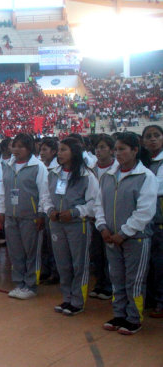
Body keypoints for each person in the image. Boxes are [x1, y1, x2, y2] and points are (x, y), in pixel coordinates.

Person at [94, 132, 157, 335]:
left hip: (135, 239)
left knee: (134, 280)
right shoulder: (108, 176)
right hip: (110, 238)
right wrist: (102, 227)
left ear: (135, 150)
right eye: (116, 149)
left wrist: (124, 232)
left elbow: (145, 211)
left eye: (122, 149)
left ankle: (133, 318)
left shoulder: (145, 177)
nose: (118, 153)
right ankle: (119, 314)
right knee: (116, 278)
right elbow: (98, 204)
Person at [44, 138, 99, 316]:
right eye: (59, 150)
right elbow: (45, 197)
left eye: (63, 150)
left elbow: (94, 203)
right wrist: (50, 210)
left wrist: (75, 212)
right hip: (57, 224)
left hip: (77, 225)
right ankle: (67, 297)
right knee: (63, 263)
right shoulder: (53, 173)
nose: (59, 153)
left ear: (74, 152)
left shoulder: (87, 176)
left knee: (79, 263)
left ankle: (78, 300)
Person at [0, 133, 49, 300]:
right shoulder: (7, 165)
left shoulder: (38, 167)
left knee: (31, 252)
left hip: (30, 216)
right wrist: (2, 211)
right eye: (15, 145)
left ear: (29, 148)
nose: (17, 149)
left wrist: (41, 213)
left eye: (21, 146)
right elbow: (3, 191)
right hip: (11, 216)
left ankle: (30, 285)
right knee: (15, 252)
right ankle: (19, 282)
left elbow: (44, 192)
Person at [90, 134, 118, 300]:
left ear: (111, 150)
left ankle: (110, 285)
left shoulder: (116, 170)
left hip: (110, 217)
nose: (99, 151)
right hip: (94, 218)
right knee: (97, 254)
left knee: (111, 255)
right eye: (97, 148)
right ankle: (100, 283)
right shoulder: (91, 170)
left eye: (102, 147)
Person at [142, 125, 163, 318]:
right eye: (148, 136)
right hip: (147, 222)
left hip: (159, 220)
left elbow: (156, 189)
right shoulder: (144, 163)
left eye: (156, 135)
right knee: (149, 264)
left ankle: (160, 301)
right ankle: (149, 299)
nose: (153, 139)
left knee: (160, 264)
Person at [39, 137, 60, 285]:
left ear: (53, 152)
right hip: (43, 208)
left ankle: (56, 271)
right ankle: (45, 269)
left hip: (53, 210)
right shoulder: (40, 166)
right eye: (40, 149)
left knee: (54, 244)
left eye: (45, 150)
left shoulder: (58, 168)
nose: (41, 153)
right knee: (43, 242)